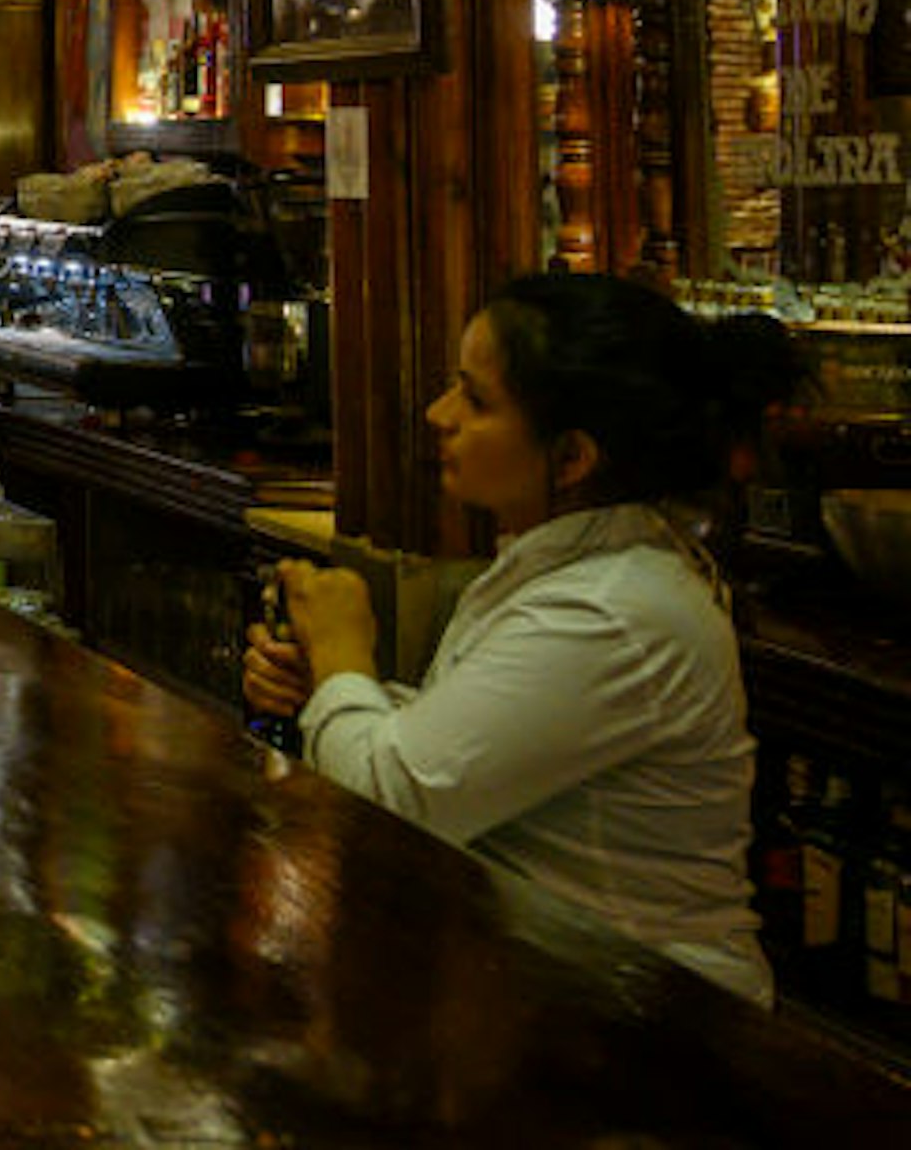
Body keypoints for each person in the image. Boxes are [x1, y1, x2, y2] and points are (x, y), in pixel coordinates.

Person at [242, 272, 802, 1003]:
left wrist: (344, 653)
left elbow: (395, 800)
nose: (439, 414)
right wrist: (336, 687)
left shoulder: (613, 610)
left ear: (572, 457)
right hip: (563, 993)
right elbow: (490, 740)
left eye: (476, 400)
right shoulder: (577, 568)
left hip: (648, 1024)